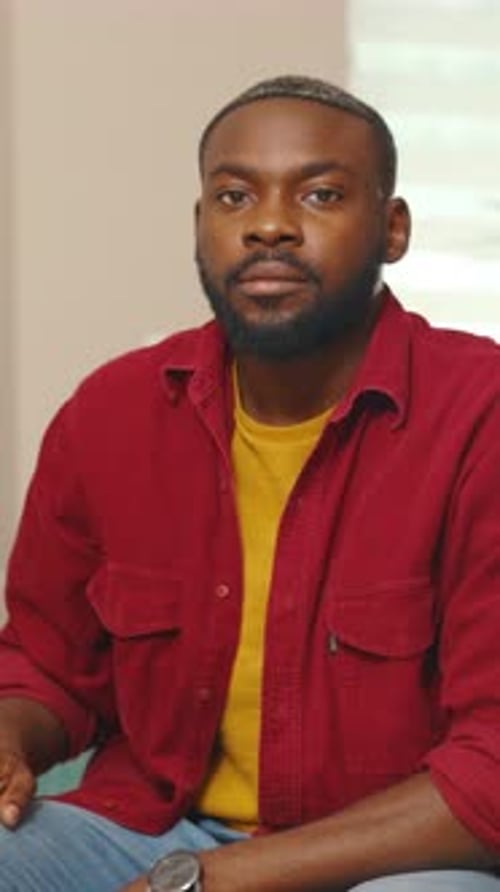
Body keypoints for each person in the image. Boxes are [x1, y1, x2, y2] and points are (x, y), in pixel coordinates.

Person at [0, 74, 500, 892]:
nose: (268, 224)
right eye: (233, 197)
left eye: (322, 194)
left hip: (397, 856)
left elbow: (491, 773)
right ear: (200, 227)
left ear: (393, 227)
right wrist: (12, 735)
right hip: (152, 832)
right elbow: (49, 664)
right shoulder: (111, 413)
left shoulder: (482, 414)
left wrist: (216, 880)